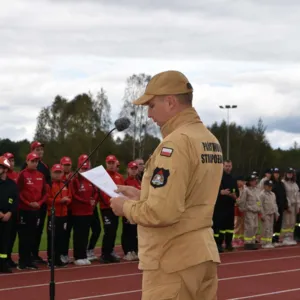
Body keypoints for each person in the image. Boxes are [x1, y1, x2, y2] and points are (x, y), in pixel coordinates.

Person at [110, 70, 223, 300]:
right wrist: (142, 195)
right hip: (201, 253)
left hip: (173, 259)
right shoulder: (209, 139)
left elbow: (163, 212)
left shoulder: (176, 143)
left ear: (170, 102)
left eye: (151, 105)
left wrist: (126, 208)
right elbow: (188, 196)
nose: (149, 114)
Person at [21, 141, 51, 265]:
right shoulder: (25, 166)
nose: (40, 151)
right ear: (31, 151)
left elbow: (47, 186)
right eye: (37, 149)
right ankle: (26, 257)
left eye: (41, 149)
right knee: (27, 232)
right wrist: (29, 202)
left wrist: (42, 201)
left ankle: (34, 253)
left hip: (41, 205)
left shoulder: (44, 167)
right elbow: (21, 188)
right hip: (27, 206)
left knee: (38, 230)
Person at [17, 152, 48, 270]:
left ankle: (29, 260)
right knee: (24, 236)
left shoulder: (41, 175)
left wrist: (39, 203)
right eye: (33, 161)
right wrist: (28, 203)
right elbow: (18, 192)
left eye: (37, 161)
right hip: (24, 210)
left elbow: (45, 193)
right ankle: (22, 261)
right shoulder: (22, 175)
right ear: (27, 161)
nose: (35, 163)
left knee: (32, 235)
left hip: (36, 210)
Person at [69, 155, 98, 266]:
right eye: (83, 168)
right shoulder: (74, 178)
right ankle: (78, 256)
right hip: (78, 211)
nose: (85, 170)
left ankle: (84, 255)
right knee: (79, 235)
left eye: (86, 168)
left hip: (88, 211)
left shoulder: (91, 179)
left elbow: (96, 191)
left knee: (85, 234)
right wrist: (87, 201)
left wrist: (93, 201)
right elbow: (74, 194)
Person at [99, 155, 124, 263]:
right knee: (108, 230)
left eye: (113, 163)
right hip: (106, 207)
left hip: (116, 207)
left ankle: (110, 251)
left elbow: (122, 191)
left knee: (113, 230)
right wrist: (108, 203)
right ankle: (105, 254)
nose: (111, 165)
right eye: (109, 163)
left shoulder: (119, 176)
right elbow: (100, 192)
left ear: (116, 163)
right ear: (106, 163)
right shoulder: (103, 176)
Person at [46, 164, 71, 267]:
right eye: (56, 172)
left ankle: (58, 258)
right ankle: (51, 259)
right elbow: (48, 199)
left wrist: (67, 201)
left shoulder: (65, 184)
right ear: (52, 173)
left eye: (60, 172)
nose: (58, 174)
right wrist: (60, 201)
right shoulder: (49, 185)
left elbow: (70, 197)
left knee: (61, 237)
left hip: (63, 215)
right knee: (52, 237)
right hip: (53, 215)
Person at [213, 160, 239, 252]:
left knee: (229, 227)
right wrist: (221, 192)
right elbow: (212, 190)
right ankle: (218, 245)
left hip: (230, 206)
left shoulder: (233, 179)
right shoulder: (218, 177)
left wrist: (235, 195)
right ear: (223, 166)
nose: (228, 168)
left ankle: (228, 244)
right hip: (220, 207)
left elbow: (236, 192)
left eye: (229, 166)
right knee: (219, 227)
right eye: (226, 166)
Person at [0, 156, 19, 273]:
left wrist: (10, 213)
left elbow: (15, 199)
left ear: (5, 169)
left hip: (7, 218)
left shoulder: (12, 184)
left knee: (5, 242)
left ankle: (2, 264)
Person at [121, 161, 140, 261]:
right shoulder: (125, 182)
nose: (133, 170)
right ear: (128, 170)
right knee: (127, 231)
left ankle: (134, 250)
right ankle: (127, 251)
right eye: (132, 169)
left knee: (135, 231)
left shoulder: (138, 182)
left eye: (135, 169)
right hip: (128, 210)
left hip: (136, 210)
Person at [237, 174, 261, 250]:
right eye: (253, 180)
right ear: (249, 182)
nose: (255, 182)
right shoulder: (246, 190)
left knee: (255, 226)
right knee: (249, 226)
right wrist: (242, 209)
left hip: (255, 211)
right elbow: (242, 200)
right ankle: (248, 242)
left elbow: (258, 200)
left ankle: (252, 241)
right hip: (249, 211)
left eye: (255, 180)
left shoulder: (256, 190)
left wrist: (259, 208)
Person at [259, 179, 279, 249]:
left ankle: (269, 242)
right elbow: (260, 205)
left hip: (272, 214)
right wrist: (262, 214)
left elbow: (274, 204)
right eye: (268, 186)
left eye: (271, 186)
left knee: (270, 228)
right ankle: (264, 243)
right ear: (264, 186)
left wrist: (276, 213)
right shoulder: (262, 194)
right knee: (265, 228)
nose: (270, 187)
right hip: (266, 214)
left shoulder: (273, 194)